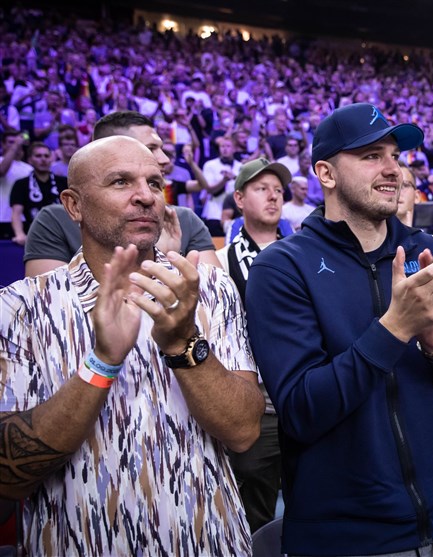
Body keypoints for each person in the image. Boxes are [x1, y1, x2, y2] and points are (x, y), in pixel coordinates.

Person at [245, 103, 433, 556]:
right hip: (347, 540)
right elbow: (301, 409)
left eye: (395, 156)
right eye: (371, 155)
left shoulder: (430, 253)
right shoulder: (282, 267)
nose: (392, 169)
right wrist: (396, 327)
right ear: (326, 173)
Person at [0, 135, 265, 554]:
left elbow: (244, 431)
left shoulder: (210, 288)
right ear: (73, 205)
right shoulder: (20, 307)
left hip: (209, 542)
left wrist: (183, 342)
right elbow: (8, 476)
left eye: (155, 184)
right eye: (120, 182)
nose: (145, 197)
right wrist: (102, 362)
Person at [22, 111, 221, 277]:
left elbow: (215, 299)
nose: (163, 159)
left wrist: (166, 259)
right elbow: (49, 310)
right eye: (150, 148)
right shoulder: (55, 221)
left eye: (161, 148)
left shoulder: (185, 220)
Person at [215, 157, 292, 533]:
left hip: (302, 397)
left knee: (316, 505)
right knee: (253, 517)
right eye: (262, 189)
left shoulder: (304, 251)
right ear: (240, 199)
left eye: (278, 191)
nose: (273, 197)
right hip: (256, 404)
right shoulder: (221, 261)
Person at [10, 142, 67, 245]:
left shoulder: (64, 182)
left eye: (46, 156)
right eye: (38, 156)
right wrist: (20, 234)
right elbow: (16, 213)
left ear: (51, 159)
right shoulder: (21, 184)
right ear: (30, 160)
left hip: (62, 236)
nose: (43, 159)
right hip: (34, 237)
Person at [201, 136, 242, 236]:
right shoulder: (210, 165)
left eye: (228, 146)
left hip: (235, 213)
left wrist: (235, 177)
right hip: (215, 211)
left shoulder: (240, 167)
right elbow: (209, 189)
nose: (225, 149)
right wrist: (224, 180)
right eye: (222, 146)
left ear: (234, 149)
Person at [0, 130, 33, 239]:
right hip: (2, 217)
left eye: (18, 141)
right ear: (3, 144)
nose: (16, 144)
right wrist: (16, 145)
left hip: (22, 219)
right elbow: (2, 170)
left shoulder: (29, 168)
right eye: (10, 142)